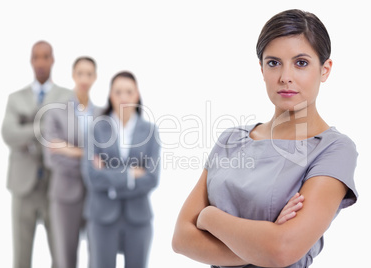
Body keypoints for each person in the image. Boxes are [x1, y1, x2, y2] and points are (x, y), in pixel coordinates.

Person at [172, 9, 358, 268]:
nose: (285, 77)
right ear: (261, 69)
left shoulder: (334, 150)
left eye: (301, 63)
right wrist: (263, 244)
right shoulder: (231, 140)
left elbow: (282, 251)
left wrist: (208, 216)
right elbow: (181, 239)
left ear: (325, 69)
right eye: (273, 63)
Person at [1, 40, 72, 268]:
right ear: (31, 61)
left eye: (45, 56)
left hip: (56, 187)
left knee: (61, 257)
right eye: (36, 57)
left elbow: (69, 136)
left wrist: (28, 125)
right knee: (21, 258)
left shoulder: (66, 97)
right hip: (23, 186)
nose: (40, 62)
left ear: (52, 60)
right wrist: (42, 127)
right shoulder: (15, 98)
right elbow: (9, 133)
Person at [81, 71, 161, 268]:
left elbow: (151, 178)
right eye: (118, 92)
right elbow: (91, 177)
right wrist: (131, 174)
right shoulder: (96, 128)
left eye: (128, 91)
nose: (123, 97)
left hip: (138, 218)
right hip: (102, 217)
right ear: (110, 96)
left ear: (137, 94)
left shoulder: (150, 131)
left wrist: (108, 172)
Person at [43, 56, 97, 268]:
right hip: (65, 193)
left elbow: (108, 157)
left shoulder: (102, 113)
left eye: (89, 74)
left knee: (98, 255)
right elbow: (52, 156)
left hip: (96, 195)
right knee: (64, 258)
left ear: (95, 77)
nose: (84, 78)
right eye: (80, 73)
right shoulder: (56, 111)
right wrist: (88, 157)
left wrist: (69, 149)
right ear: (73, 75)